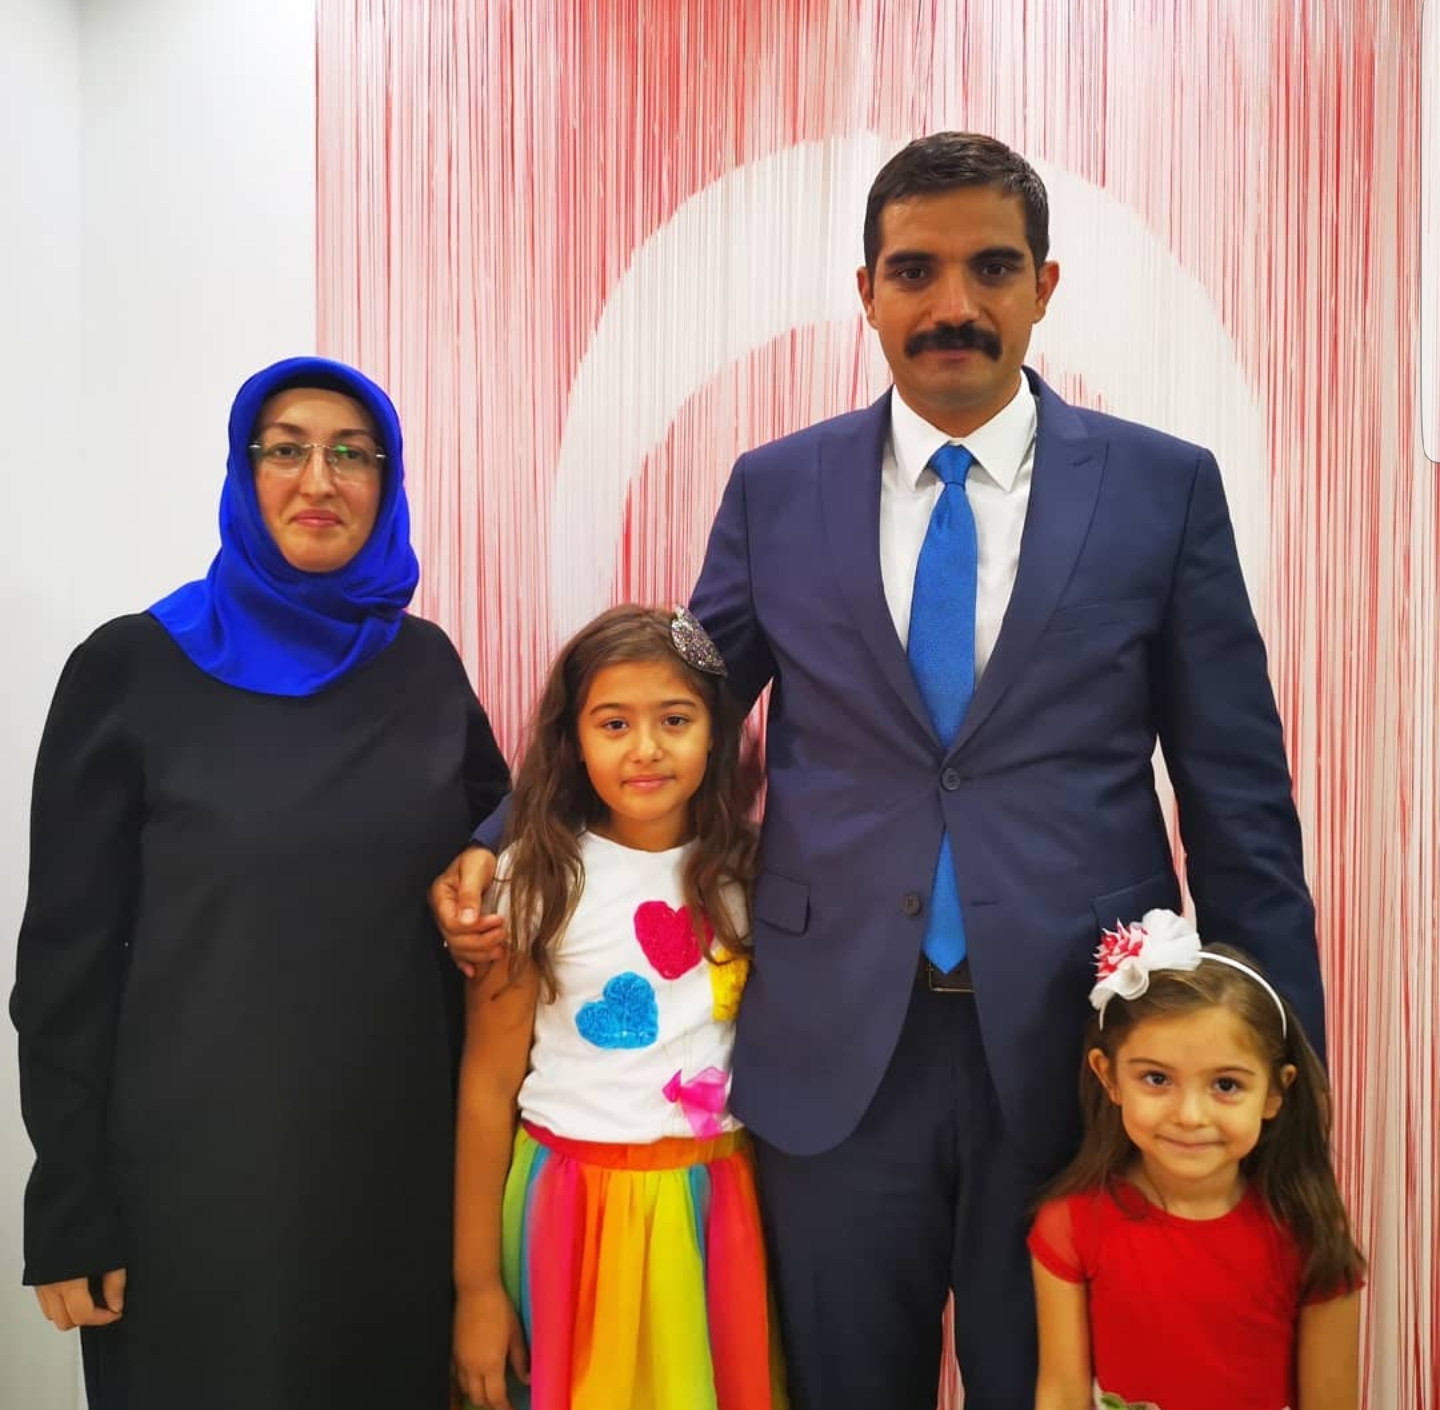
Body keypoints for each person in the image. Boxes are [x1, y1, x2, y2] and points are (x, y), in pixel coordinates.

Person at [433, 132, 1327, 1410]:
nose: (953, 304)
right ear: (868, 291)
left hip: (1081, 1051)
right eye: (915, 271)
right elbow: (675, 700)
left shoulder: (1161, 488)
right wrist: (501, 839)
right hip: (832, 1044)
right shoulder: (777, 489)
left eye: (991, 268)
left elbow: (1239, 798)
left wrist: (1291, 1093)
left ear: (1044, 286)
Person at [11, 356, 510, 1410]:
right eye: (286, 450)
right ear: (244, 474)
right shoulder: (130, 669)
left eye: (353, 455)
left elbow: (501, 835)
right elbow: (63, 967)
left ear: (387, 483)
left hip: (393, 1181)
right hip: (193, 1198)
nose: (319, 480)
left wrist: (483, 876)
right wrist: (68, 1204)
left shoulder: (424, 668)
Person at [450, 604, 784, 1410]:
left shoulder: (753, 874)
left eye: (675, 719)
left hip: (716, 1208)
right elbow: (487, 1088)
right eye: (613, 724)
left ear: (716, 732)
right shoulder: (533, 881)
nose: (646, 749)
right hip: (570, 1212)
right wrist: (476, 1288)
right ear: (572, 741)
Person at [1029, 910, 1363, 1410]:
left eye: (1226, 1084)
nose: (1189, 1116)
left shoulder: (1311, 1234)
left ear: (1276, 1092)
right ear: (1109, 1076)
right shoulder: (1071, 1226)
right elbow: (1061, 1393)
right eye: (1157, 1079)